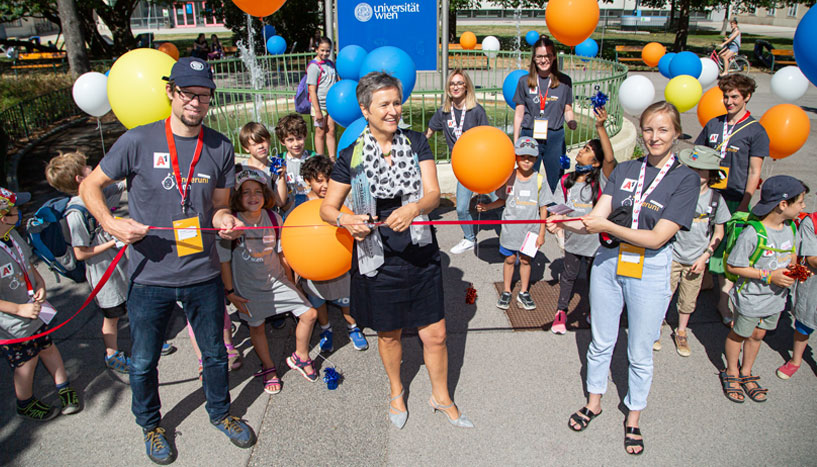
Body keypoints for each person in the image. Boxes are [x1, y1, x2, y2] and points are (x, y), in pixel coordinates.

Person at [79, 57, 256, 465]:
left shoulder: (220, 146)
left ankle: (221, 413)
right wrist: (110, 222)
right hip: (149, 274)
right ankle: (151, 424)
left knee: (214, 353)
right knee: (143, 360)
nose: (196, 102)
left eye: (204, 95)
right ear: (170, 93)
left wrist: (226, 219)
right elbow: (91, 185)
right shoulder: (137, 140)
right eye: (188, 93)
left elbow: (216, 208)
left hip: (202, 271)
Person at [320, 71, 473, 429]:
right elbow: (328, 208)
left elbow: (434, 194)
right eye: (384, 104)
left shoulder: (417, 142)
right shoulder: (350, 156)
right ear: (365, 110)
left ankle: (441, 396)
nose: (393, 111)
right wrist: (345, 221)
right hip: (376, 254)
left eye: (396, 102)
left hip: (419, 249)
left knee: (434, 333)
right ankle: (396, 391)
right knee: (388, 333)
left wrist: (414, 208)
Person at [554, 101, 699, 455]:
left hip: (649, 267)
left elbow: (656, 237)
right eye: (648, 129)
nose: (654, 137)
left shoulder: (686, 179)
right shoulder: (626, 170)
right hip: (607, 261)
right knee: (601, 340)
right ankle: (594, 400)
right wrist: (564, 221)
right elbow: (596, 216)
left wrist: (604, 225)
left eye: (663, 130)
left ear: (676, 133)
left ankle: (633, 416)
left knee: (639, 351)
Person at [219, 168, 320, 394]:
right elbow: (224, 261)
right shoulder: (230, 224)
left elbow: (283, 254)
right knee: (257, 328)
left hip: (277, 282)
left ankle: (300, 357)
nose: (253, 196)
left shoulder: (274, 218)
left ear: (266, 195)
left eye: (258, 191)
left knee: (309, 313)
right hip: (247, 289)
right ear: (237, 196)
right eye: (246, 192)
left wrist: (293, 284)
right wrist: (230, 292)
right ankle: (268, 367)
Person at [720, 176, 805, 403]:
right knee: (740, 334)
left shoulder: (791, 228)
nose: (804, 206)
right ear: (783, 204)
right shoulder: (753, 233)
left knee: (758, 335)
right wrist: (769, 275)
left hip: (775, 300)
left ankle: (746, 372)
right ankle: (731, 371)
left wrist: (795, 270)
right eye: (800, 202)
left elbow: (792, 255)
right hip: (751, 298)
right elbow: (733, 266)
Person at [44, 151, 130, 373]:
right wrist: (113, 243)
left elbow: (122, 185)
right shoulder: (76, 214)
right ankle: (112, 354)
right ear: (79, 179)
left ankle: (148, 341)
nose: (91, 168)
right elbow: (80, 253)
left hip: (119, 267)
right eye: (86, 168)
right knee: (112, 315)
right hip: (103, 275)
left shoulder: (98, 193)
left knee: (133, 303)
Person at [0, 188, 82, 421]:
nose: (21, 212)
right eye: (16, 209)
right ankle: (24, 402)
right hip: (13, 323)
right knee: (27, 360)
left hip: (35, 310)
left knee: (47, 346)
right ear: (4, 217)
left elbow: (27, 263)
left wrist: (40, 283)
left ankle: (63, 385)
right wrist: (19, 309)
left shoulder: (11, 236)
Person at [695, 74, 769, 325]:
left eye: (734, 96)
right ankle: (703, 282)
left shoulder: (756, 131)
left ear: (747, 97)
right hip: (709, 193)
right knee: (704, 236)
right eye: (726, 96)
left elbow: (754, 171)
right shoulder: (714, 124)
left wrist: (746, 203)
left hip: (735, 197)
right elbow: (698, 154)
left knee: (728, 247)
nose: (729, 101)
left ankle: (723, 299)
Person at [655, 146, 730, 356]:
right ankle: (657, 326)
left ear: (711, 174)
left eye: (702, 170)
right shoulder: (678, 192)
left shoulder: (716, 200)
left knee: (689, 298)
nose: (696, 173)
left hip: (696, 258)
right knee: (664, 292)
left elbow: (719, 232)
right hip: (672, 253)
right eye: (692, 168)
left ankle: (681, 331)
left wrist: (705, 257)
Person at [547, 107, 616, 334]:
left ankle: (592, 311)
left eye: (587, 150)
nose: (581, 151)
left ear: (595, 163)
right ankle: (561, 312)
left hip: (596, 243)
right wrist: (556, 227)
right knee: (568, 276)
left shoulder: (602, 182)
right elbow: (556, 208)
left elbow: (610, 158)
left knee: (593, 280)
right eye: (584, 147)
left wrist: (600, 127)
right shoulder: (566, 180)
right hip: (573, 241)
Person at [299, 155, 368, 352]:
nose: (325, 185)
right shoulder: (301, 204)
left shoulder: (340, 203)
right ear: (307, 181)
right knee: (318, 300)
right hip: (312, 264)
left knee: (346, 298)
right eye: (319, 180)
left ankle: (353, 327)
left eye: (329, 180)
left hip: (339, 263)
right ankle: (325, 328)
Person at [477, 137, 553, 311]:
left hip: (531, 231)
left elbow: (543, 208)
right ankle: (506, 290)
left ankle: (524, 291)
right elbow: (503, 200)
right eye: (523, 156)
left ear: (536, 159)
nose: (527, 160)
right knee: (510, 259)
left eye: (531, 157)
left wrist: (542, 233)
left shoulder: (539, 179)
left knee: (526, 260)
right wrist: (487, 206)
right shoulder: (508, 176)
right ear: (516, 157)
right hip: (510, 229)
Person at [425, 69, 490, 255]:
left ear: (466, 86)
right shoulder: (444, 112)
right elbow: (428, 133)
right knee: (461, 208)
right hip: (463, 169)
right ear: (448, 88)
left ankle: (512, 239)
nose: (455, 87)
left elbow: (488, 137)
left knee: (501, 202)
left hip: (483, 166)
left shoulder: (476, 111)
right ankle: (469, 238)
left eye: (459, 83)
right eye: (452, 84)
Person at [513, 36, 577, 192]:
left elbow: (567, 109)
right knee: (527, 178)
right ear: (534, 58)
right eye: (540, 56)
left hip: (555, 137)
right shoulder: (524, 81)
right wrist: (516, 141)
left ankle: (552, 213)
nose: (544, 60)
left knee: (555, 179)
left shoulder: (564, 81)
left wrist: (571, 121)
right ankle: (530, 212)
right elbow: (519, 113)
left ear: (554, 56)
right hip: (529, 135)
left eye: (547, 55)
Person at [777, 211, 817, 380]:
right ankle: (795, 360)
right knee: (804, 324)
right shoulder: (812, 222)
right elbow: (812, 258)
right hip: (813, 287)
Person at [275, 114, 317, 217]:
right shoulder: (279, 161)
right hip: (288, 212)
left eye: (299, 138)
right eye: (290, 140)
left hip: (311, 208)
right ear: (282, 141)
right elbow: (278, 198)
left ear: (305, 135)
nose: (296, 144)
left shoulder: (314, 158)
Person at [239, 121, 287, 208]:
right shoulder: (240, 170)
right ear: (246, 148)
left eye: (263, 141)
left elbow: (280, 202)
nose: (260, 146)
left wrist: (282, 177)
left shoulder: (275, 169)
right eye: (255, 144)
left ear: (269, 141)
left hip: (268, 216)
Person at [307, 37, 338, 158]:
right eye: (322, 50)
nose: (325, 53)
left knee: (331, 131)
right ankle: (320, 158)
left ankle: (331, 158)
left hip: (331, 105)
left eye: (327, 51)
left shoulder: (330, 65)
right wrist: (318, 111)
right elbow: (312, 90)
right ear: (316, 49)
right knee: (320, 132)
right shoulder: (314, 67)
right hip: (319, 105)